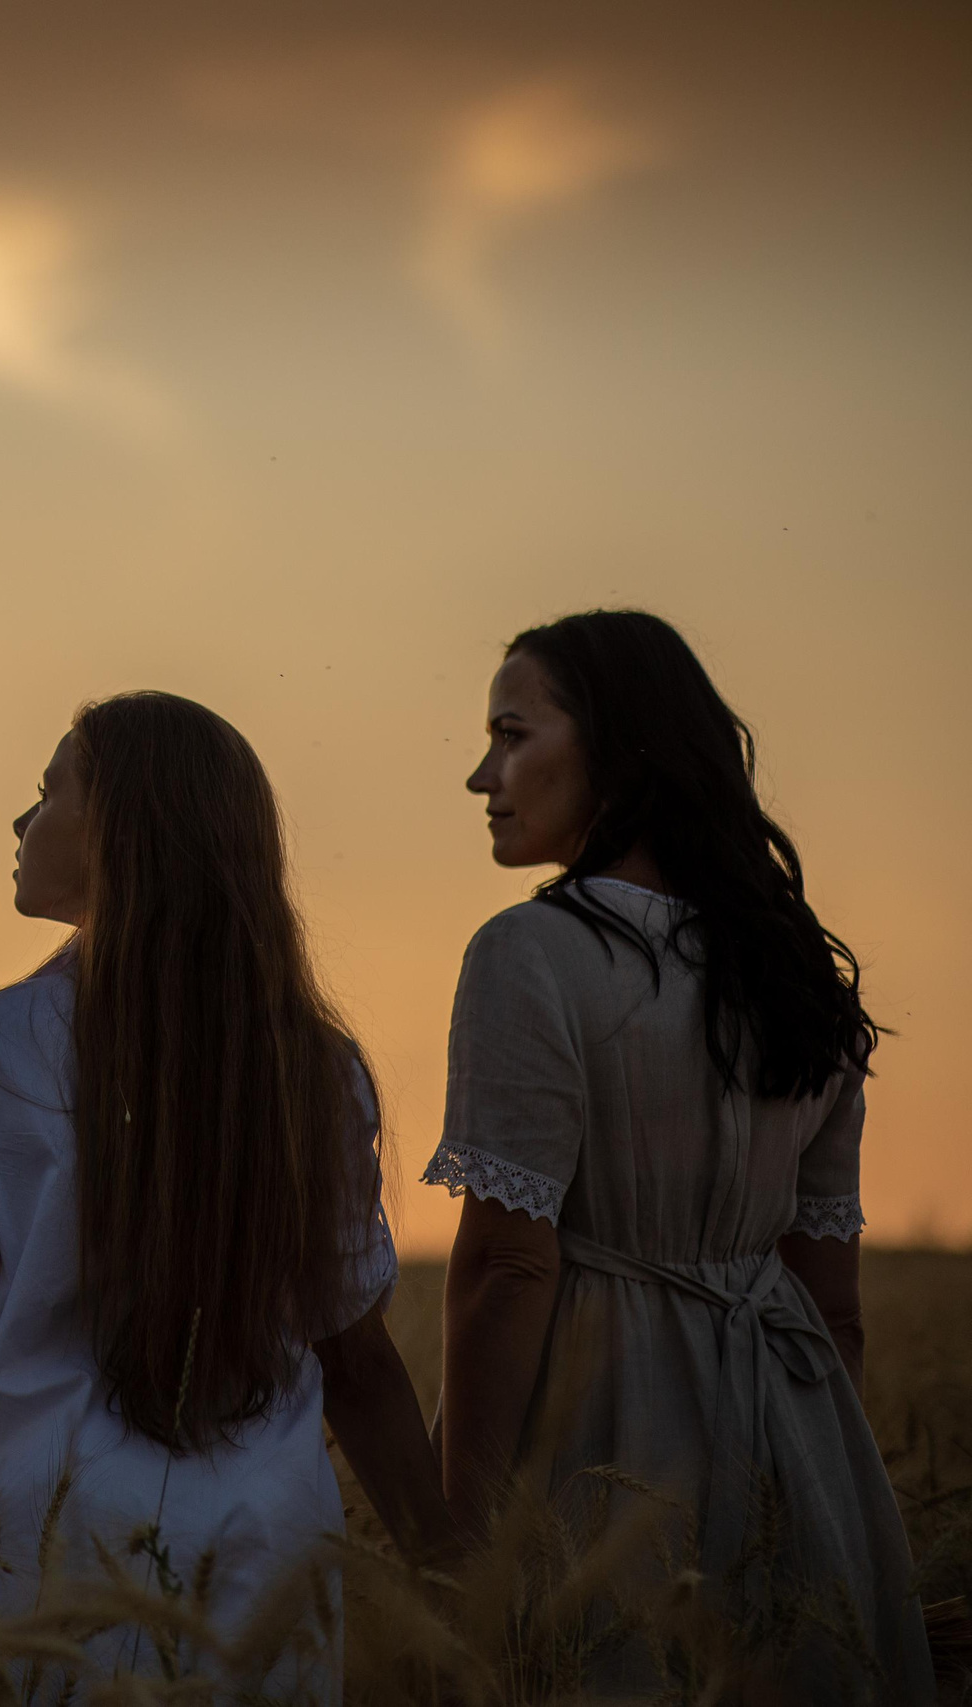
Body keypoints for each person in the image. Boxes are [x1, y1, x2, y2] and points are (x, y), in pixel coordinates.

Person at [0, 692, 448, 1699]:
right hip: (266, 1546)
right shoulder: (313, 1068)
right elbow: (357, 1362)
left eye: (51, 789)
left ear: (125, 833)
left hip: (47, 1548)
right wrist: (454, 1587)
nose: (22, 820)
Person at [427, 609, 933, 1696]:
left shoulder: (530, 952)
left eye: (510, 734)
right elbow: (829, 1302)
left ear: (618, 746)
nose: (482, 774)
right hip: (797, 1437)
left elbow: (507, 1267)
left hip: (604, 1433)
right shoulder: (796, 973)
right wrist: (816, 1487)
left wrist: (456, 1539)